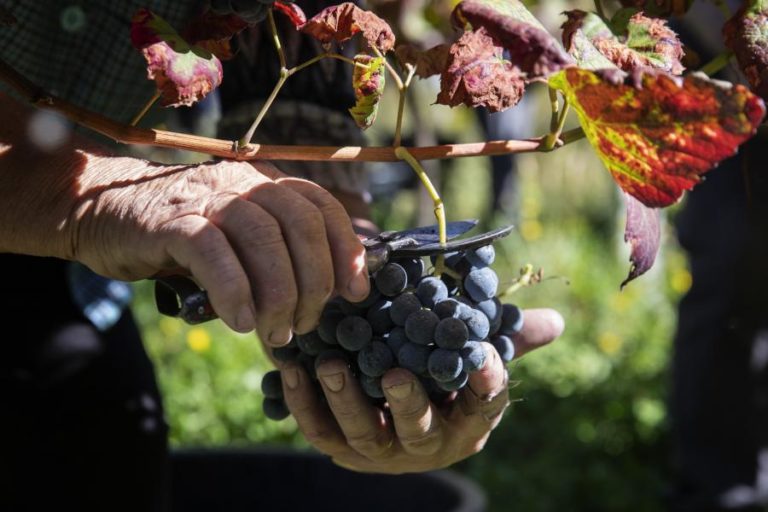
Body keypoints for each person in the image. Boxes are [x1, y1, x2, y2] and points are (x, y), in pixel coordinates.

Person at [0, 1, 564, 510]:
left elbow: (286, 33)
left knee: (107, 459)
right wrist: (72, 196)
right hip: (69, 211)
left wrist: (332, 250)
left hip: (69, 284)